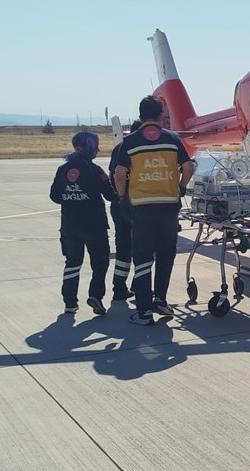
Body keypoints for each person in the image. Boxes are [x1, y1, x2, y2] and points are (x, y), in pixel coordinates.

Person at [113, 96, 195, 325]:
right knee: (166, 254)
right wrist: (180, 187)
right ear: (161, 116)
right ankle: (160, 299)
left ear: (140, 116)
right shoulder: (172, 139)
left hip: (141, 207)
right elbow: (188, 167)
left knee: (143, 258)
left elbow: (119, 174)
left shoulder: (130, 142)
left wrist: (122, 196)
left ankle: (144, 311)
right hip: (168, 206)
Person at [50, 131, 117, 316]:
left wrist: (71, 197)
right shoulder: (96, 171)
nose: (98, 150)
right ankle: (95, 295)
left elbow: (54, 196)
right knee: (100, 262)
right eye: (95, 146)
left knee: (72, 263)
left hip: (69, 225)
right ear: (88, 147)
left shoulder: (63, 170)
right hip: (94, 225)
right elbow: (110, 195)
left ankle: (69, 302)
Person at [107, 120, 142, 304]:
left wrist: (119, 197)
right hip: (137, 204)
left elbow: (113, 175)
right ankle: (140, 285)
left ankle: (119, 287)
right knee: (144, 247)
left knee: (123, 248)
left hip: (119, 204)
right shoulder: (141, 149)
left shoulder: (118, 149)